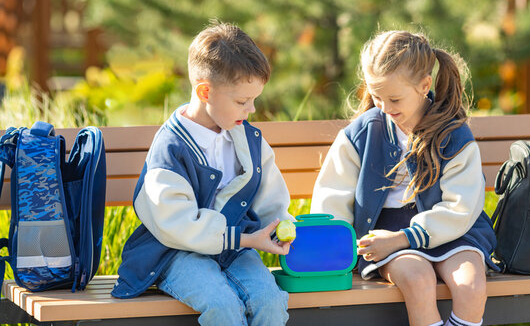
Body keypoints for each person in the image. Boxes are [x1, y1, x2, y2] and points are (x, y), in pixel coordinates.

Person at [111, 21, 294, 326]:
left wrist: (281, 228)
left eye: (254, 100)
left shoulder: (247, 139)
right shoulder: (171, 149)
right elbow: (176, 224)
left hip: (235, 249)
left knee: (270, 301)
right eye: (241, 101)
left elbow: (270, 198)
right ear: (205, 91)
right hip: (177, 253)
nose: (251, 110)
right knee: (222, 305)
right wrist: (246, 240)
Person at [311, 30, 499, 326]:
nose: (384, 107)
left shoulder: (453, 134)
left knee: (470, 285)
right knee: (418, 280)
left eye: (394, 98)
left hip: (452, 229)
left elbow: (460, 207)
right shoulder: (361, 134)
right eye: (376, 96)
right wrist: (340, 249)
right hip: (385, 235)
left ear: (425, 85)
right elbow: (332, 198)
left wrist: (409, 237)